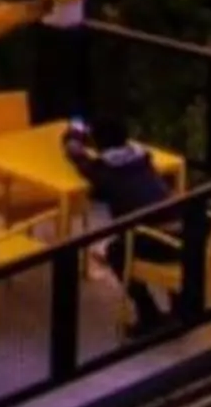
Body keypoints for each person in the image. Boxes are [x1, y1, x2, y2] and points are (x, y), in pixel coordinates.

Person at [65, 116, 175, 329]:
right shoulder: (143, 158)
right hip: (183, 234)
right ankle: (180, 305)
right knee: (142, 230)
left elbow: (82, 163)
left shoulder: (106, 171)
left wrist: (73, 142)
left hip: (157, 242)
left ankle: (149, 316)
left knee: (116, 251)